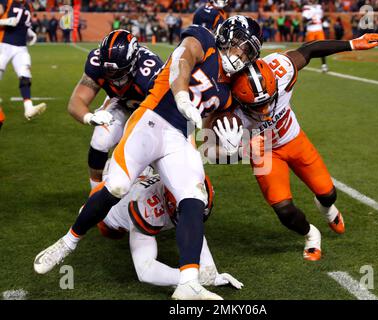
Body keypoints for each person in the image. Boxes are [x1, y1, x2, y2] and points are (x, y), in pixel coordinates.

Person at [34, 16, 263, 300]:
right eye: (241, 46)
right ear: (227, 36)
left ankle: (189, 282)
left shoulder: (229, 90)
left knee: (193, 198)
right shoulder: (204, 40)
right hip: (152, 119)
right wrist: (180, 95)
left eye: (248, 52)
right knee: (117, 185)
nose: (241, 56)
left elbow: (208, 129)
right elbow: (182, 60)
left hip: (179, 137)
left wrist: (226, 144)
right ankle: (67, 243)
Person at [227, 33, 378, 261]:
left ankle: (327, 210)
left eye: (267, 102)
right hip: (265, 154)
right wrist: (242, 149)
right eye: (256, 106)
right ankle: (312, 235)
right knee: (283, 210)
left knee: (328, 193)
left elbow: (311, 48)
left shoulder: (281, 70)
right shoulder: (226, 108)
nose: (263, 111)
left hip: (293, 139)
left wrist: (352, 44)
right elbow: (212, 153)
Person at [94, 163, 243, 289]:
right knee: (111, 232)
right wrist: (189, 278)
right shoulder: (146, 207)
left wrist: (213, 275)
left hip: (145, 184)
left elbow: (193, 227)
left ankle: (130, 171)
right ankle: (110, 172)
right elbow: (145, 271)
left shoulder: (188, 192)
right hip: (109, 210)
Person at [66, 29, 163, 190]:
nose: (112, 75)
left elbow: (165, 112)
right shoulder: (97, 62)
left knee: (148, 157)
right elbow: (76, 102)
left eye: (119, 70)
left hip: (152, 109)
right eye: (108, 70)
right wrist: (90, 117)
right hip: (122, 101)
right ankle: (94, 192)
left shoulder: (150, 74)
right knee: (100, 140)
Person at [0, 0, 46, 120]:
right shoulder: (7, 1)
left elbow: (24, 24)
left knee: (25, 75)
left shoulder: (27, 5)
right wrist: (5, 21)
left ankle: (28, 108)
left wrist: (30, 32)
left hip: (21, 47)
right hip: (4, 44)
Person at [302, 0, 328, 72]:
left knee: (323, 48)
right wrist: (310, 20)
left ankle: (324, 65)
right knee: (309, 49)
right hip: (311, 30)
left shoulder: (319, 7)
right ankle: (302, 63)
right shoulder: (306, 7)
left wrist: (324, 20)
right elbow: (304, 21)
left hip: (319, 29)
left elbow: (321, 18)